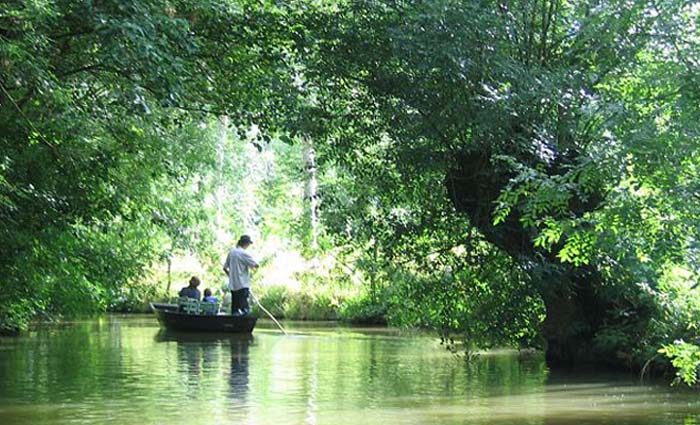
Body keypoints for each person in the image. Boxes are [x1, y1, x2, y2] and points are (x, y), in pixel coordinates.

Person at [223, 235, 259, 316]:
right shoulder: (244, 253)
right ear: (246, 243)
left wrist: (231, 276)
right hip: (243, 285)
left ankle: (234, 326)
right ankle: (244, 326)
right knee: (245, 311)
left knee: (235, 311)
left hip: (233, 286)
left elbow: (225, 268)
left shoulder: (231, 252)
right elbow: (256, 265)